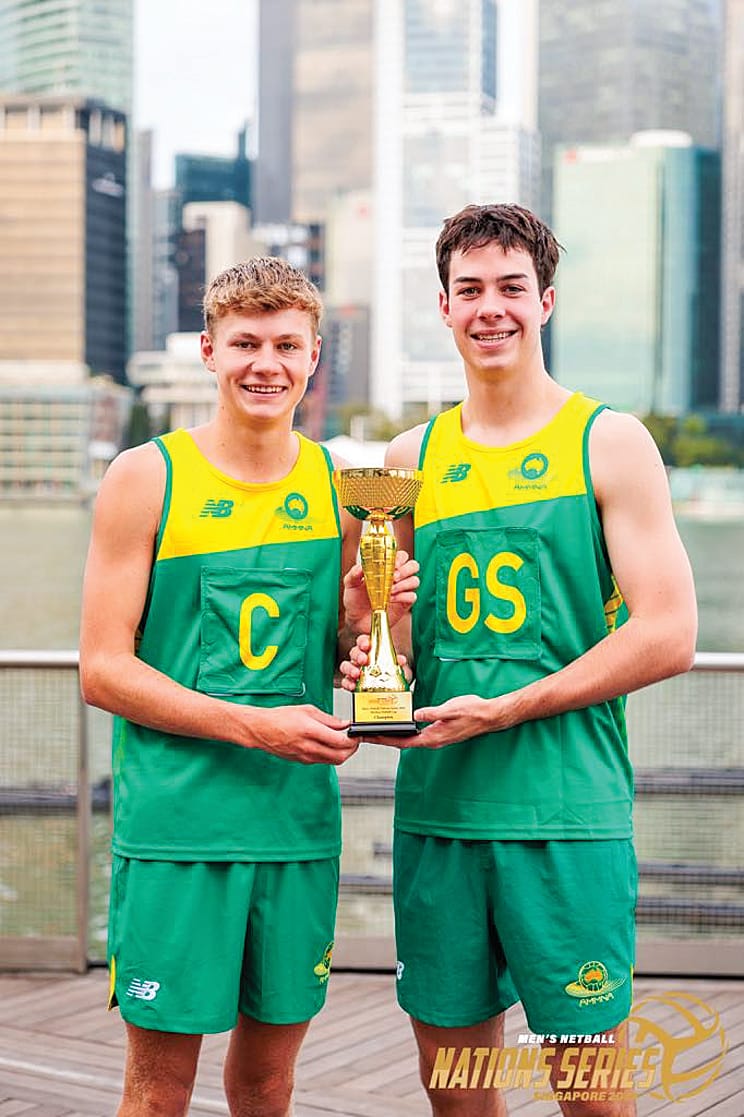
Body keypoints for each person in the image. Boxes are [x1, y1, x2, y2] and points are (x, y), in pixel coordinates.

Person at [341, 204, 697, 1117]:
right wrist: (370, 630)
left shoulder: (607, 441)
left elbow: (668, 632)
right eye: (470, 290)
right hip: (441, 816)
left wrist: (507, 707)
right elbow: (397, 652)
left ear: (545, 301)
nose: (490, 307)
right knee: (458, 1093)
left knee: (590, 1094)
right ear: (444, 306)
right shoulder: (409, 457)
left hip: (566, 816)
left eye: (510, 287)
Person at [79, 256, 417, 1117]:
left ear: (314, 357)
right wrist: (253, 726)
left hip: (296, 829)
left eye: (286, 345)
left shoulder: (342, 490)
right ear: (209, 351)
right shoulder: (145, 476)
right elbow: (103, 669)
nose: (266, 364)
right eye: (245, 344)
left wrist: (365, 624)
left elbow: (348, 655)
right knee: (158, 1089)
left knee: (267, 1084)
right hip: (176, 830)